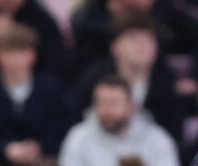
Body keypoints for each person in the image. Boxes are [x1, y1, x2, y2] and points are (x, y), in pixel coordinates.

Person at [59, 74, 183, 166]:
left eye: (114, 103)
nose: (107, 110)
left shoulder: (157, 139)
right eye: (101, 103)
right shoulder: (78, 138)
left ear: (132, 107)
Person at [0, 23, 72, 166]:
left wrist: (39, 147)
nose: (15, 59)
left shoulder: (52, 88)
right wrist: (5, 148)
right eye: (9, 52)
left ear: (33, 55)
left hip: (45, 163)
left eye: (21, 52)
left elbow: (60, 128)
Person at [72, 12, 186, 140]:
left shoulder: (164, 85)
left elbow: (173, 135)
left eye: (149, 40)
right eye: (133, 38)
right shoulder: (93, 81)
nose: (142, 46)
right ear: (115, 47)